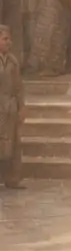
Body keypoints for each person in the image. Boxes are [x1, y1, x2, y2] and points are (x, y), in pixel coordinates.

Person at [0, 25, 23, 189]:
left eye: (9, 39)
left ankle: (12, 179)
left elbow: (19, 87)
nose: (9, 42)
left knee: (14, 143)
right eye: (5, 39)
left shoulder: (13, 62)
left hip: (10, 107)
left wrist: (22, 107)